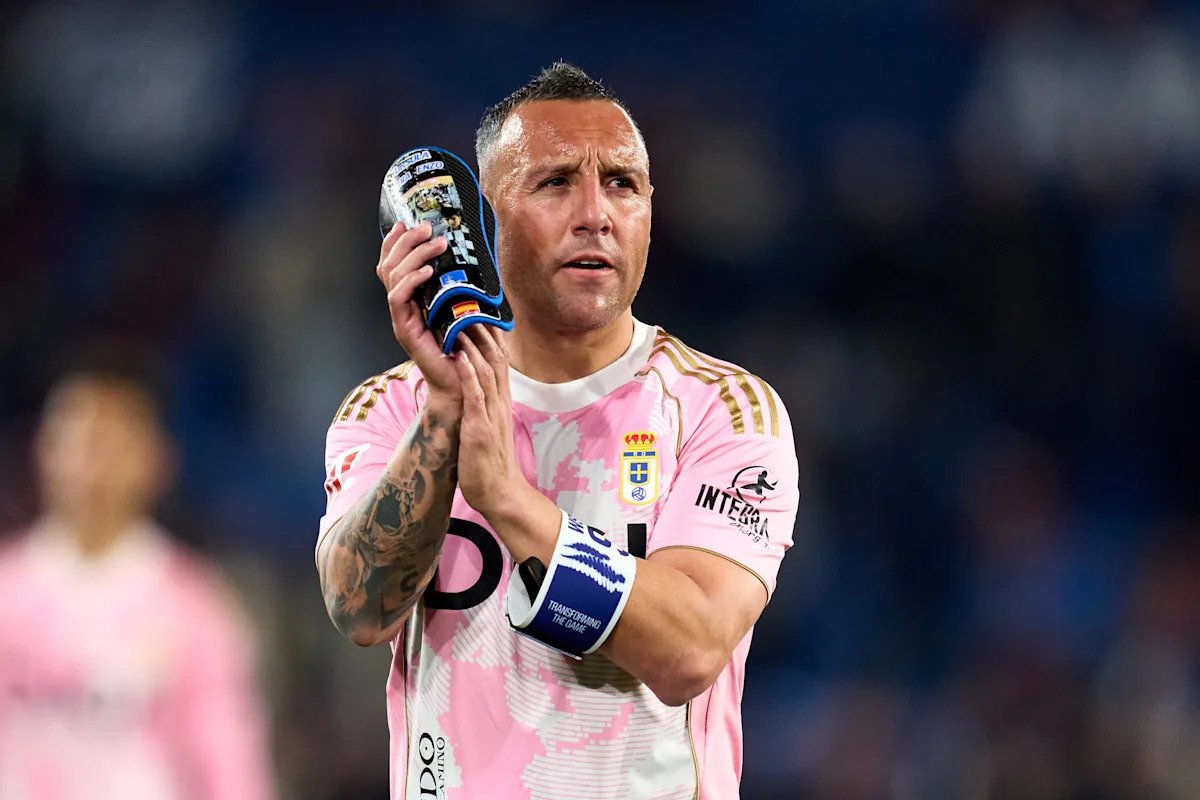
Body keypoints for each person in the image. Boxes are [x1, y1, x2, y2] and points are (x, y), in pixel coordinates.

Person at [316, 62, 800, 800]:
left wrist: (508, 501)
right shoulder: (389, 408)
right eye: (555, 183)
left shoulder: (723, 409)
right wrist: (443, 414)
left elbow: (690, 650)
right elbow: (359, 609)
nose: (595, 214)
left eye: (622, 183)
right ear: (483, 223)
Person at [0, 348, 275, 800]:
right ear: (43, 450)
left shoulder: (195, 608)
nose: (95, 464)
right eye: (81, 440)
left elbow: (230, 763)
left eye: (115, 442)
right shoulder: (7, 595)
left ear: (156, 459)